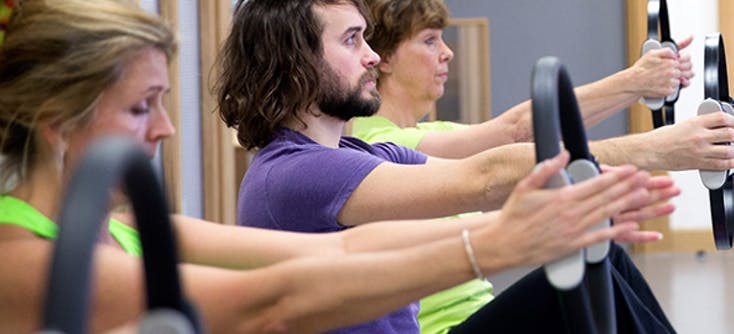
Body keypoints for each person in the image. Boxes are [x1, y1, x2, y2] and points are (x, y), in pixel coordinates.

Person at [0, 0, 674, 333]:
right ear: (61, 120)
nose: (166, 129)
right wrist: (497, 242)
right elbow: (274, 300)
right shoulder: (18, 260)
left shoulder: (129, 226)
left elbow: (345, 249)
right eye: (142, 107)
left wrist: (536, 229)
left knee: (599, 268)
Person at [218, 0, 678, 332]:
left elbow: (490, 162)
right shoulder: (294, 172)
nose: (372, 56)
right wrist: (658, 150)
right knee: (582, 276)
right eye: (352, 39)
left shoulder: (359, 154)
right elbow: (483, 179)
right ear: (295, 62)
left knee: (603, 258)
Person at [350, 1, 700, 333]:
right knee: (590, 278)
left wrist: (645, 84)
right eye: (429, 41)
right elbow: (514, 134)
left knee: (609, 259)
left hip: (477, 313)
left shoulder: (429, 133)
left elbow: (542, 129)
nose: (447, 52)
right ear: (383, 59)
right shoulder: (374, 141)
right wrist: (655, 137)